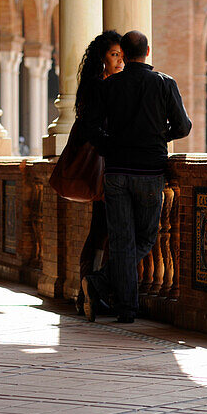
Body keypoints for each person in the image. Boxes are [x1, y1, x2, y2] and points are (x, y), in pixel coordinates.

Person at [81, 30, 191, 324]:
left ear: (125, 55)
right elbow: (183, 127)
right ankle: (105, 289)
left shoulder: (109, 86)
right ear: (148, 51)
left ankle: (118, 301)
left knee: (121, 241)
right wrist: (157, 138)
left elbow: (90, 127)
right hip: (150, 171)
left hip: (116, 172)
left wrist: (111, 147)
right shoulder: (164, 84)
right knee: (146, 238)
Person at [73, 31, 125, 302]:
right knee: (102, 231)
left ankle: (88, 291)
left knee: (100, 230)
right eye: (114, 55)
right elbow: (93, 128)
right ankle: (92, 290)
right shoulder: (98, 86)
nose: (120, 61)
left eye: (122, 56)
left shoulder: (105, 84)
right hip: (103, 167)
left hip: (106, 167)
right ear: (101, 57)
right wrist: (113, 147)